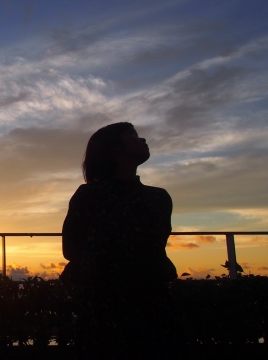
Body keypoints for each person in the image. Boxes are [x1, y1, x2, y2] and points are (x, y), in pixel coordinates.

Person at [61, 122, 179, 359]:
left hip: (128, 303)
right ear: (113, 148)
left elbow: (72, 249)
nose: (142, 139)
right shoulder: (154, 199)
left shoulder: (158, 197)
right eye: (132, 135)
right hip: (120, 305)